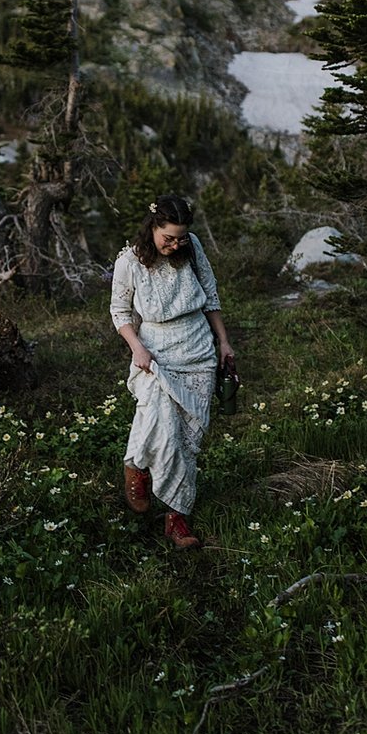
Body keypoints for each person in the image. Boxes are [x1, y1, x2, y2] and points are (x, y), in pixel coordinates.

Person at [109, 193, 235, 548]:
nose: (175, 243)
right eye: (169, 237)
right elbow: (119, 312)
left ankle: (176, 519)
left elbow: (210, 295)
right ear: (153, 228)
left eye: (180, 237)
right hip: (154, 349)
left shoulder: (191, 247)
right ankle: (136, 466)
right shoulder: (129, 262)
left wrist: (223, 342)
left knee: (187, 439)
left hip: (197, 349)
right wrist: (138, 348)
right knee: (158, 420)